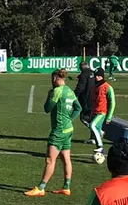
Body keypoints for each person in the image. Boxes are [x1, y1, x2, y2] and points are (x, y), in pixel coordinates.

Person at [25, 69, 81, 197]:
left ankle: (41, 188)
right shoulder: (69, 91)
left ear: (55, 77)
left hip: (59, 131)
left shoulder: (57, 91)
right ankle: (66, 187)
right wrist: (70, 120)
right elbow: (78, 108)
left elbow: (47, 109)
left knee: (50, 160)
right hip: (68, 129)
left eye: (52, 78)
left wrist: (50, 95)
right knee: (66, 158)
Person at [89, 67, 116, 158]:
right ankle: (99, 152)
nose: (97, 77)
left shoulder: (107, 87)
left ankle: (100, 147)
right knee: (96, 130)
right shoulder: (94, 87)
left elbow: (112, 102)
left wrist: (109, 116)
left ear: (102, 77)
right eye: (96, 76)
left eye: (99, 76)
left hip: (102, 113)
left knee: (92, 125)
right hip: (94, 113)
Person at [74, 61, 94, 141]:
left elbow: (80, 88)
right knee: (92, 118)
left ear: (81, 67)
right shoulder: (93, 73)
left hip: (86, 99)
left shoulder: (83, 75)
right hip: (94, 99)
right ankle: (93, 137)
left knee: (84, 117)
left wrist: (74, 95)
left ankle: (97, 132)